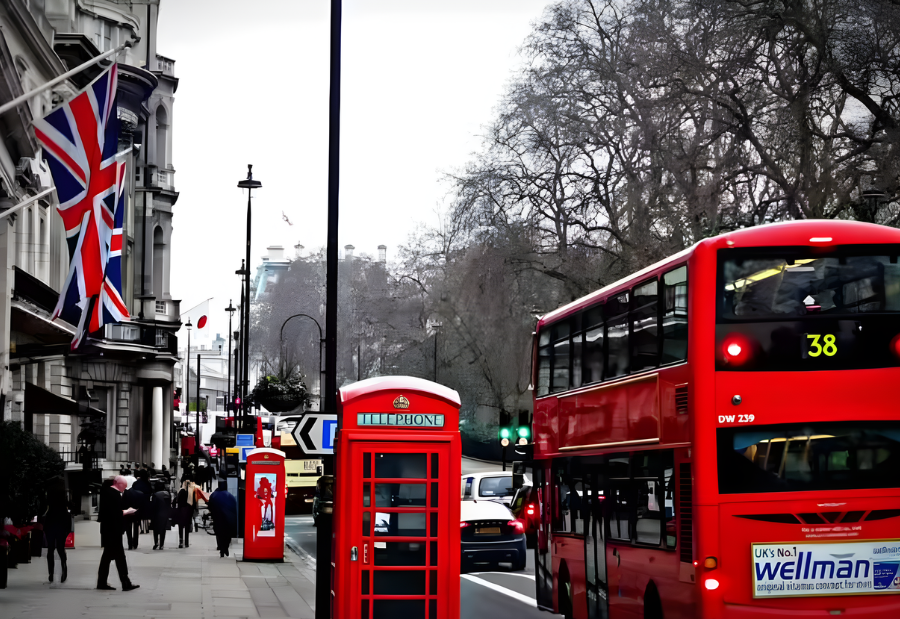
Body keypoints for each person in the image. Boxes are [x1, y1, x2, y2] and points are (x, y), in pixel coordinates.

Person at [97, 475, 139, 591]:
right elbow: (115, 513)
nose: (123, 489)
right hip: (114, 530)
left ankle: (103, 582)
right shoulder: (114, 494)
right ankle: (125, 583)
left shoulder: (105, 492)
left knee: (108, 557)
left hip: (107, 530)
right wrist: (127, 511)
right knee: (119, 557)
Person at [43, 480, 72, 583]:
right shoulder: (64, 499)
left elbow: (44, 510)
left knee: (50, 549)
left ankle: (51, 573)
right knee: (60, 549)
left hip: (51, 524)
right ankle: (64, 570)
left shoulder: (49, 498)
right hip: (61, 524)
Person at [207, 482, 237, 557]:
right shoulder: (230, 496)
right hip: (229, 519)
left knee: (219, 534)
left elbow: (210, 506)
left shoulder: (214, 495)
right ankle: (225, 547)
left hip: (218, 518)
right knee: (227, 534)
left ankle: (221, 548)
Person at [173, 476, 199, 548]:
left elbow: (176, 500)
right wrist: (195, 510)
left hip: (181, 511)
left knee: (181, 527)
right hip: (188, 512)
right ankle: (186, 542)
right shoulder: (192, 492)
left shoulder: (181, 491)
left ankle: (181, 541)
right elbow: (194, 502)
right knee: (187, 527)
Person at [149, 480, 172, 550]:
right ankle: (161, 544)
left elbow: (153, 505)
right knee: (163, 529)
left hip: (156, 513)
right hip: (165, 513)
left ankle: (156, 542)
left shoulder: (155, 495)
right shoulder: (167, 494)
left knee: (155, 529)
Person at [131, 470, 152, 542]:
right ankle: (145, 528)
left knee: (136, 521)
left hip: (136, 503)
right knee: (145, 517)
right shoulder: (148, 483)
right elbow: (151, 492)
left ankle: (136, 536)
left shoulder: (136, 483)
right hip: (145, 503)